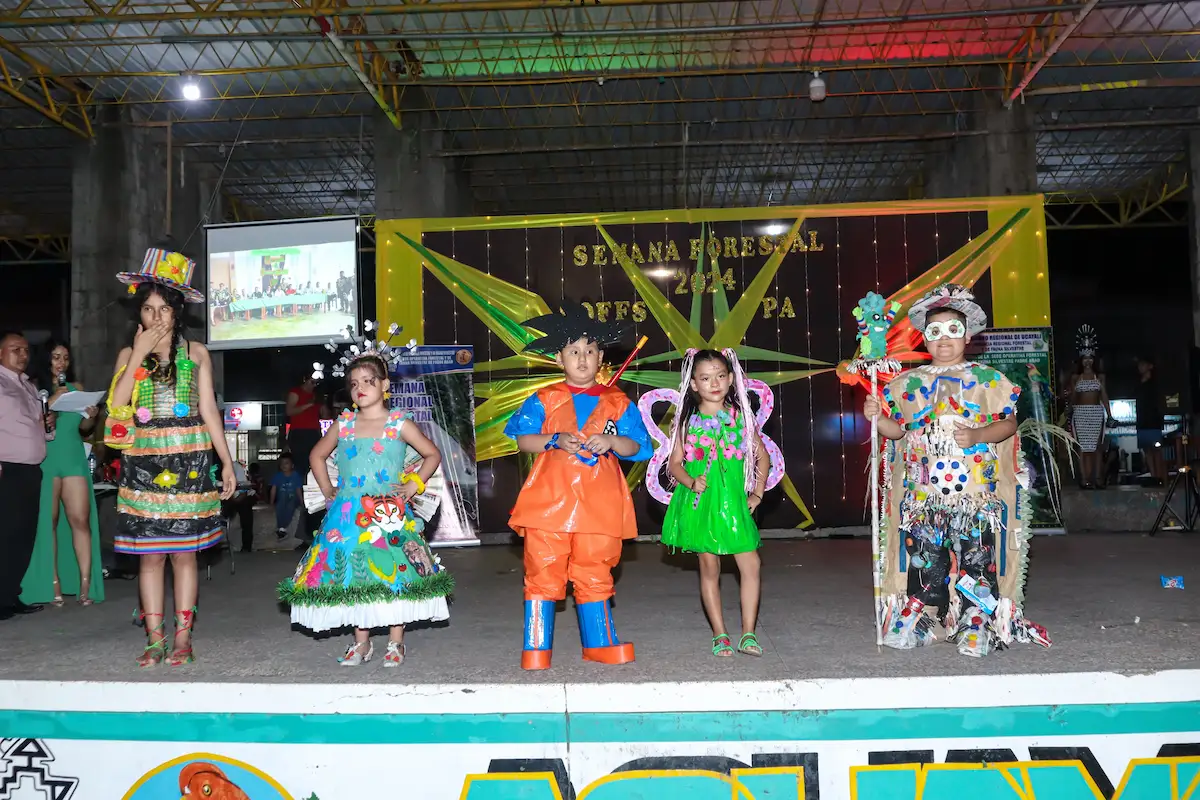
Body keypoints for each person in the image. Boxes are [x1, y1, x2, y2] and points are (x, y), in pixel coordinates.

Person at [863, 284, 1049, 657]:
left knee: (975, 558)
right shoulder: (908, 385)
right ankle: (924, 616)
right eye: (935, 332)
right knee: (925, 560)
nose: (944, 340)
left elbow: (1008, 425)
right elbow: (897, 431)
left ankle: (976, 619)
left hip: (975, 497)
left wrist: (979, 433)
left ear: (967, 335)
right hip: (924, 497)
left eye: (952, 330)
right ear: (924, 339)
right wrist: (876, 418)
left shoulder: (988, 382)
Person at [108, 242, 236, 667]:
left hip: (190, 464)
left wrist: (227, 463)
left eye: (164, 309)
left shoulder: (195, 353)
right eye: (148, 309)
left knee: (184, 553)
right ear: (139, 314)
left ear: (177, 312)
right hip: (144, 466)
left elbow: (209, 412)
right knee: (151, 556)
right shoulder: (129, 355)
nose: (156, 317)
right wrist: (139, 354)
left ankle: (183, 638)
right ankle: (154, 638)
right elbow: (117, 408)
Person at [505, 304, 653, 670]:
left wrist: (613, 443)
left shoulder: (617, 402)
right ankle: (536, 646)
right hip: (549, 503)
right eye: (573, 351)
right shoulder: (543, 398)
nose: (582, 358)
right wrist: (553, 439)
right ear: (559, 359)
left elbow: (640, 446)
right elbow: (523, 440)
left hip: (599, 505)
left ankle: (599, 642)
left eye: (589, 351)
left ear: (601, 357)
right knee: (543, 568)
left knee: (595, 568)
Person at [279, 353, 449, 668]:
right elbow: (317, 456)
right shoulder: (343, 424)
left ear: (385, 385)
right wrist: (329, 489)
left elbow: (432, 454)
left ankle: (396, 642)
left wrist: (414, 484)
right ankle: (362, 642)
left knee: (394, 570)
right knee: (355, 574)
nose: (360, 388)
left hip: (389, 511)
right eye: (354, 383)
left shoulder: (399, 422)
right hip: (348, 514)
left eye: (368, 381)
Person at [659, 349, 768, 658]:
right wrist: (691, 481)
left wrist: (757, 492)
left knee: (752, 564)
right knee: (710, 566)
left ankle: (748, 633)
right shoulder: (686, 422)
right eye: (705, 378)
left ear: (731, 379)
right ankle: (720, 633)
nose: (714, 383)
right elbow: (675, 464)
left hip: (734, 503)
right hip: (702, 504)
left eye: (720, 376)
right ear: (693, 384)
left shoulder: (741, 418)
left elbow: (762, 455)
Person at [21, 339, 105, 607]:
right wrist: (52, 400)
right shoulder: (32, 388)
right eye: (56, 357)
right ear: (46, 360)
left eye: (66, 358)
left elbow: (84, 428)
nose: (61, 363)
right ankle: (53, 582)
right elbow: (28, 424)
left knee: (80, 519)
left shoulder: (76, 389)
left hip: (72, 458)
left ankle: (84, 584)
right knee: (50, 522)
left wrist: (91, 415)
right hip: (46, 458)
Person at [0, 331, 54, 621]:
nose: (22, 354)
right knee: (5, 535)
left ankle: (9, 595)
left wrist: (48, 421)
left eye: (25, 350)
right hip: (6, 468)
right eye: (14, 349)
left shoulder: (29, 386)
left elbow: (41, 428)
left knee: (22, 536)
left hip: (31, 470)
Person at [1066, 326, 1114, 489]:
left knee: (1096, 448)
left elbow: (1104, 396)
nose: (1088, 361)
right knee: (1083, 448)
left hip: (1095, 413)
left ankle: (1097, 479)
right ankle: (1084, 479)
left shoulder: (1100, 376)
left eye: (1090, 358)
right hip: (1080, 414)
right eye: (1085, 358)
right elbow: (1073, 397)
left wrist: (1110, 415)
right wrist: (1069, 409)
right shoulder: (1075, 377)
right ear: (1081, 359)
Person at [285, 374, 323, 539]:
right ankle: (301, 499)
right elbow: (289, 411)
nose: (313, 384)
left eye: (316, 382)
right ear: (304, 379)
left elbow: (323, 414)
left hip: (314, 433)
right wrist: (308, 405)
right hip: (300, 434)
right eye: (311, 381)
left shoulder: (317, 395)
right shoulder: (296, 392)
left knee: (315, 468)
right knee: (302, 470)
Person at [1135, 356, 1165, 484]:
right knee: (1147, 450)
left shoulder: (1156, 383)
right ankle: (1154, 477)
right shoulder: (1138, 383)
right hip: (1142, 421)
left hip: (1153, 421)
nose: (1140, 367)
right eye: (1139, 365)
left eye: (1143, 364)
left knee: (1156, 450)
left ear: (1150, 366)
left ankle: (1160, 477)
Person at [221, 460, 255, 553]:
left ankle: (246, 546)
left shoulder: (235, 466)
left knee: (246, 514)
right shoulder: (211, 466)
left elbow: (244, 487)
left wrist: (237, 498)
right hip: (225, 497)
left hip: (241, 496)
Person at [269, 453, 304, 539]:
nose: (284, 466)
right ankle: (281, 528)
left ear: (292, 465)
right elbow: (273, 490)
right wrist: (271, 502)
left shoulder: (296, 476)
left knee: (290, 505)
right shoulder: (278, 476)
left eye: (286, 463)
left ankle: (283, 527)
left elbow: (298, 489)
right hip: (282, 499)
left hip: (293, 499)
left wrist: (302, 502)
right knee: (280, 505)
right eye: (282, 464)